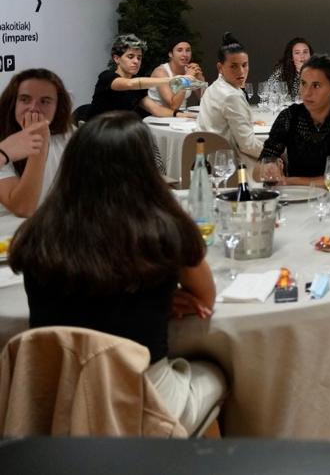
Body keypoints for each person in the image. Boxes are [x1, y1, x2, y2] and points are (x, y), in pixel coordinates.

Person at [8, 112, 225, 434]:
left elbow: (81, 301)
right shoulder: (164, 231)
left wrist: (153, 300)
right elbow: (204, 299)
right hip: (142, 405)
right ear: (145, 169)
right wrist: (158, 298)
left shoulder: (37, 234)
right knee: (218, 373)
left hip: (55, 400)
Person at [260, 54, 330, 184]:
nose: (307, 92)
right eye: (303, 83)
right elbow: (259, 167)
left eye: (316, 85)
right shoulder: (289, 116)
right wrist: (268, 168)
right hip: (297, 194)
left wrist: (289, 181)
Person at [0, 69, 72, 219]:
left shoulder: (69, 135)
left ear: (57, 107)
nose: (33, 108)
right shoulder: (4, 145)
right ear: (13, 103)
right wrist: (38, 144)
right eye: (25, 99)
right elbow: (23, 208)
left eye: (44, 101)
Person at [196, 33, 265, 169]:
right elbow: (248, 145)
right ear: (220, 67)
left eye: (244, 65)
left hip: (207, 162)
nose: (241, 72)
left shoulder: (212, 88)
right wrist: (275, 154)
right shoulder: (232, 96)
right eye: (234, 66)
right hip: (232, 166)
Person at [89, 34, 195, 120]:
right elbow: (129, 84)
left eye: (139, 58)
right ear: (117, 59)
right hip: (98, 130)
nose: (136, 61)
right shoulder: (107, 76)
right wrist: (171, 80)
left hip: (119, 131)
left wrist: (179, 114)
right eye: (130, 57)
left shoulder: (136, 85)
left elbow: (156, 109)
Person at [148, 37, 205, 113]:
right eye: (179, 50)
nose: (185, 54)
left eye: (188, 50)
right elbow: (173, 106)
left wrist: (200, 79)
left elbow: (204, 100)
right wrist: (186, 79)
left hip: (182, 114)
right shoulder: (161, 72)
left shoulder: (189, 70)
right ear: (170, 54)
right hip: (161, 116)